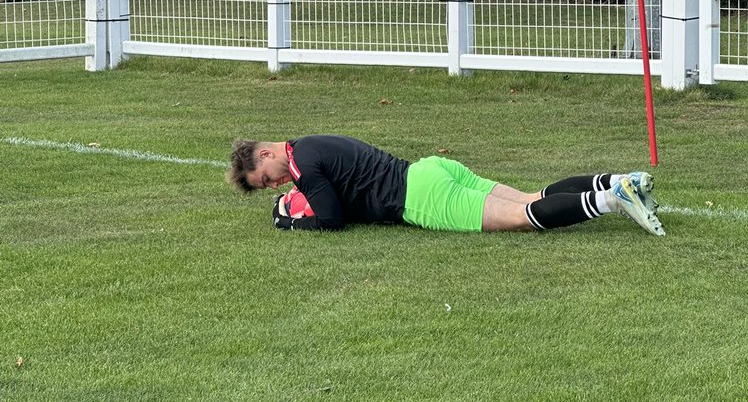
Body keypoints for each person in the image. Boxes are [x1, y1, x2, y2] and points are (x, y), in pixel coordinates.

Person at [228, 135, 666, 236]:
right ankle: (619, 180)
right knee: (533, 196)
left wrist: (289, 222)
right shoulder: (310, 145)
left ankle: (612, 199)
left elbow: (331, 219)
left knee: (522, 218)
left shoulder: (302, 164)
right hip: (431, 170)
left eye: (268, 178)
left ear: (267, 154)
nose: (276, 185)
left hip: (422, 197)